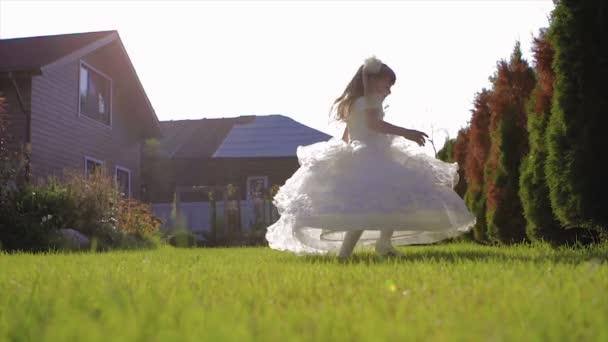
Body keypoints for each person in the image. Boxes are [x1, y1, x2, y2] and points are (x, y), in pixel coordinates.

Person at [265, 56, 475, 259]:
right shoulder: (370, 101)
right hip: (371, 155)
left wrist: (345, 153)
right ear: (374, 80)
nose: (389, 90)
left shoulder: (354, 102)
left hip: (365, 154)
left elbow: (348, 133)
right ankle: (361, 249)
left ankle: (378, 245)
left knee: (379, 203)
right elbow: (375, 125)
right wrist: (407, 132)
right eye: (387, 84)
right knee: (371, 206)